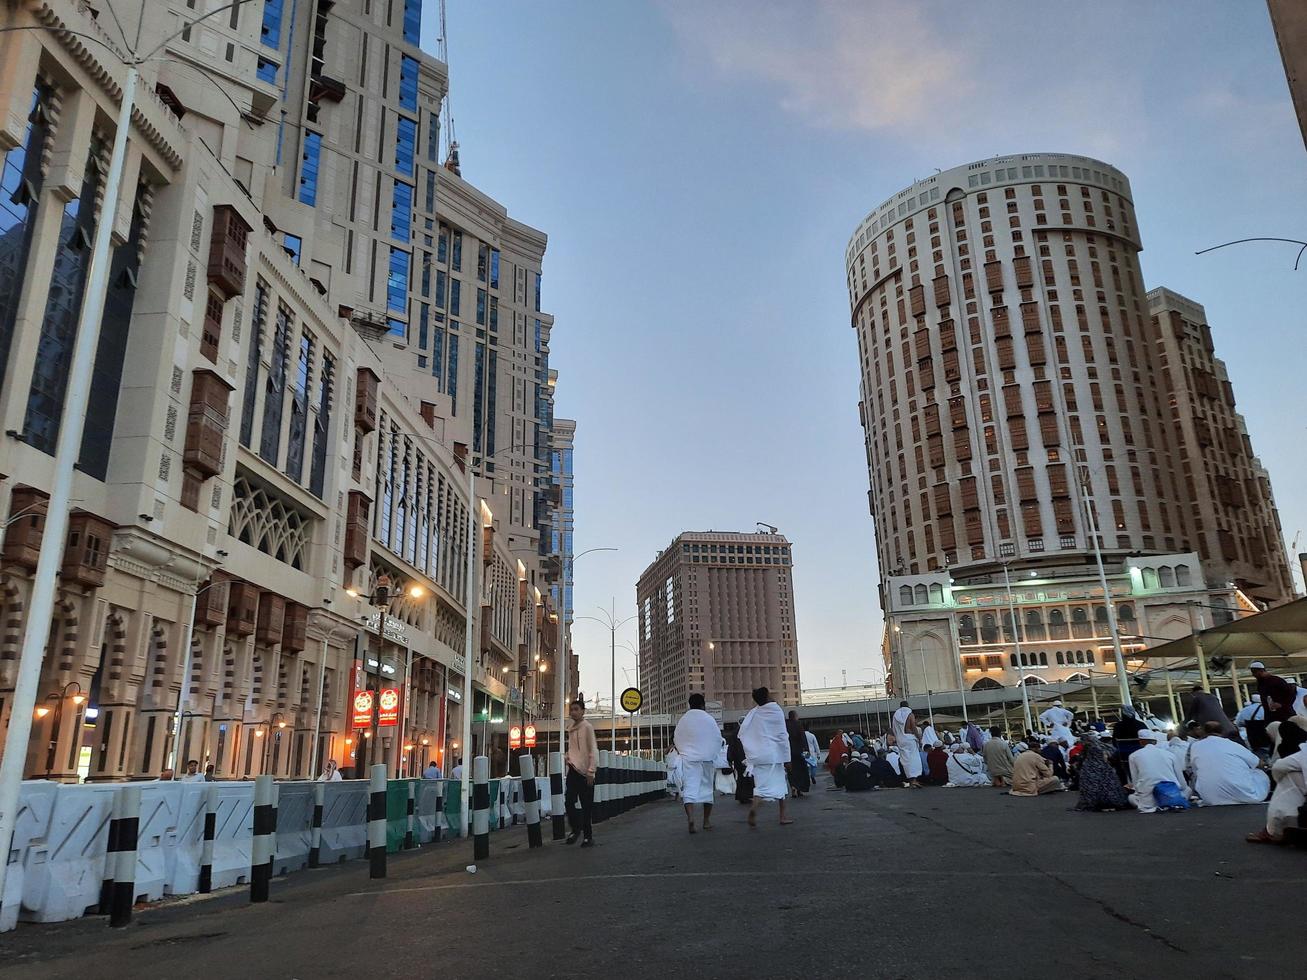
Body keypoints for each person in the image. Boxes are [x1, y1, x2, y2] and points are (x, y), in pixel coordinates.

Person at [737, 687, 793, 827]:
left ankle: (755, 807)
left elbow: (745, 732)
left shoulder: (754, 713)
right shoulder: (775, 711)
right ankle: (782, 816)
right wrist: (787, 758)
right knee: (781, 786)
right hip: (774, 755)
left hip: (758, 756)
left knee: (761, 787)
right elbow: (782, 736)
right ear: (767, 696)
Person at [1248, 717, 1307, 843]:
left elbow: (1279, 767)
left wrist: (1278, 779)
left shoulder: (1303, 752)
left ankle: (1272, 829)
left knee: (1290, 776)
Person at [1189, 721, 1270, 805]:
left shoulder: (1195, 746)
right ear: (1222, 731)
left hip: (1209, 797)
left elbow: (1195, 771)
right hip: (1243, 794)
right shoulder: (1232, 744)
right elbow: (1258, 763)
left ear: (1204, 732)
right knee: (1259, 773)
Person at [674, 694, 722, 833]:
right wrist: (712, 753)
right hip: (706, 758)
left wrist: (683, 752)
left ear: (690, 704)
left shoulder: (684, 720)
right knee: (707, 789)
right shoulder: (709, 719)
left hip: (689, 759)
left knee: (689, 788)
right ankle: (706, 821)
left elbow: (677, 738)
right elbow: (717, 738)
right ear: (703, 705)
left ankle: (690, 817)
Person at [1127, 730, 1190, 813]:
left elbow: (1135, 783)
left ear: (1141, 742)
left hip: (1148, 801)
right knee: (1188, 790)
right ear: (1155, 742)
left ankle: (1156, 806)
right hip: (1172, 795)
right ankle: (1173, 803)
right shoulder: (1170, 754)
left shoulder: (1133, 756)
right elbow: (1182, 783)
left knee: (1131, 798)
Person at [565, 699, 599, 846]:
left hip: (586, 772)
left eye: (576, 709)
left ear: (583, 711)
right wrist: (568, 757)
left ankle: (588, 836)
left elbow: (592, 749)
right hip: (573, 770)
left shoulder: (587, 727)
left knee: (586, 806)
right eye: (571, 709)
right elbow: (572, 748)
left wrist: (591, 770)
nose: (573, 712)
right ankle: (576, 828)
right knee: (569, 801)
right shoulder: (570, 728)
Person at [1074, 735, 1130, 811]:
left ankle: (1095, 803)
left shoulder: (1088, 747)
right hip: (1105, 768)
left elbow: (1081, 759)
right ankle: (1110, 803)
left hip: (1090, 769)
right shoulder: (1103, 746)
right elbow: (1113, 752)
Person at [890, 701, 923, 788]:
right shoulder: (910, 714)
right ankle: (914, 780)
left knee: (906, 760)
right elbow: (913, 726)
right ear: (908, 706)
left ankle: (911, 781)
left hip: (901, 739)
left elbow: (894, 729)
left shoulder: (896, 715)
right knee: (914, 759)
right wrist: (919, 738)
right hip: (909, 738)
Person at [785, 710, 811, 797]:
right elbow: (803, 738)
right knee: (801, 770)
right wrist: (807, 751)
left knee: (791, 771)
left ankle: (793, 787)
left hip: (788, 753)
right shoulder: (798, 725)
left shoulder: (785, 725)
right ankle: (799, 788)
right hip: (798, 752)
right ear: (795, 716)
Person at [726, 725, 752, 803]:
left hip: (738, 759)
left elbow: (731, 747)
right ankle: (747, 795)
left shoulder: (734, 734)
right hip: (745, 758)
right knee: (747, 777)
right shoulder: (746, 733)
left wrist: (730, 759)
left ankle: (742, 796)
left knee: (741, 778)